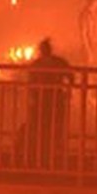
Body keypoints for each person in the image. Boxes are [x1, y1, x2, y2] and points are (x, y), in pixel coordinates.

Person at [26, 37, 71, 169]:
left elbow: (31, 83)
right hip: (55, 100)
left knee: (42, 129)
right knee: (54, 129)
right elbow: (71, 76)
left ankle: (41, 158)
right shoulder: (59, 62)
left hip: (42, 101)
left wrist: (32, 97)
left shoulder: (36, 64)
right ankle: (53, 158)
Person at [78, 0, 97, 67]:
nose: (96, 5)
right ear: (89, 2)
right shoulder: (84, 15)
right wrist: (88, 51)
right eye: (95, 2)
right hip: (89, 46)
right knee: (88, 67)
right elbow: (83, 35)